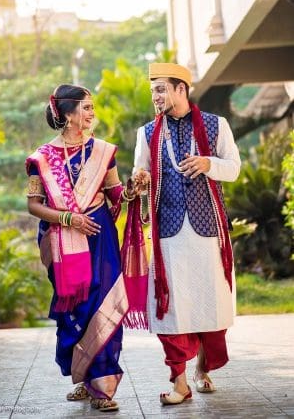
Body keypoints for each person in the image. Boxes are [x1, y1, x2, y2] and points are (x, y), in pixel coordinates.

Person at [130, 63, 241, 405]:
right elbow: (141, 171)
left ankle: (203, 368)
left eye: (161, 89)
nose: (156, 96)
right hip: (169, 233)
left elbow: (234, 168)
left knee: (212, 303)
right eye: (153, 91)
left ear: (182, 89)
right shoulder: (147, 132)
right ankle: (179, 383)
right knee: (172, 306)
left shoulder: (214, 124)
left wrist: (209, 164)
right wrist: (141, 179)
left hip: (208, 231)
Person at [26, 84, 131, 412]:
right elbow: (34, 205)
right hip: (63, 240)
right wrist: (70, 219)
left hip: (100, 237)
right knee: (77, 309)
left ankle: (102, 386)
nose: (91, 113)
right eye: (86, 108)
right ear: (68, 114)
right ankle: (85, 377)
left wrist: (132, 191)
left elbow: (116, 194)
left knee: (103, 301)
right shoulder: (40, 159)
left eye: (91, 108)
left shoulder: (103, 152)